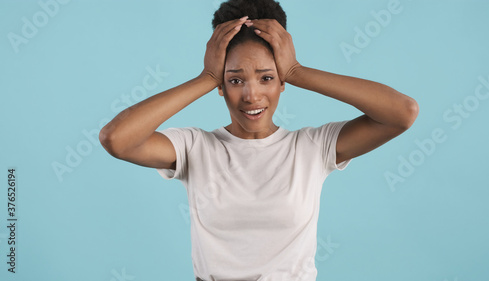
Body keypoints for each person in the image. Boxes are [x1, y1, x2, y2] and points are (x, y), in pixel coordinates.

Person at [99, 0, 419, 280]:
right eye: (235, 79)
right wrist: (205, 78)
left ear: (281, 83)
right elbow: (116, 139)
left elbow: (402, 113)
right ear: (221, 87)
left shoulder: (311, 148)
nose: (252, 95)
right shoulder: (193, 148)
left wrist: (296, 70)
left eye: (267, 77)